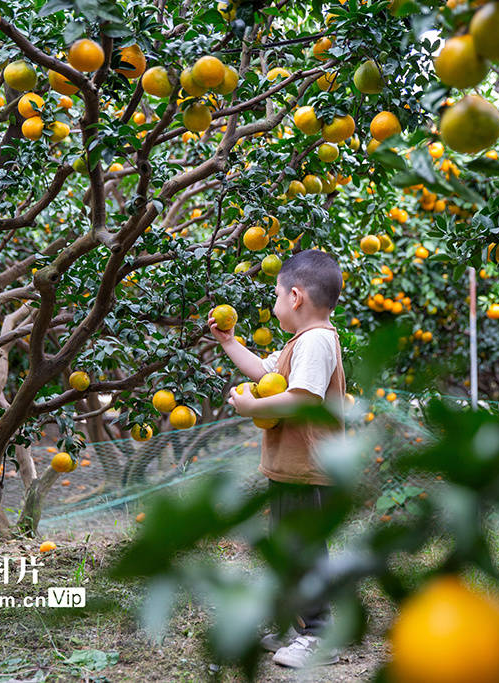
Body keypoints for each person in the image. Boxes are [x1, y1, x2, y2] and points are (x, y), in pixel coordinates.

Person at [207, 248, 346, 668]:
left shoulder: (318, 341)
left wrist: (251, 410)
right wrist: (229, 342)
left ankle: (320, 635)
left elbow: (301, 397)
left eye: (276, 295)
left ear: (296, 297)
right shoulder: (298, 343)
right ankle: (300, 625)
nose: (274, 304)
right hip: (291, 468)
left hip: (310, 468)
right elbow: (262, 371)